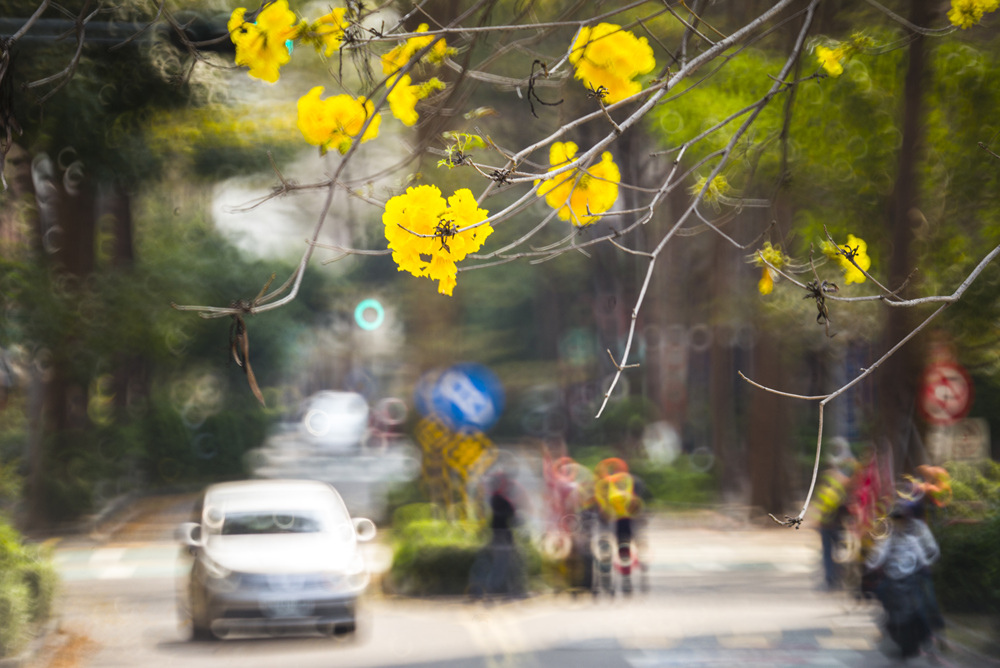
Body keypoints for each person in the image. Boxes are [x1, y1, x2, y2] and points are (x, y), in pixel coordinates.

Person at [864, 501, 941, 659]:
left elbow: (923, 556)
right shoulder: (887, 540)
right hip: (892, 581)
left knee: (920, 608)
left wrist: (926, 566)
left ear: (907, 519)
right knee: (880, 594)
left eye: (902, 519)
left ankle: (927, 637)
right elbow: (878, 557)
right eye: (896, 519)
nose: (900, 522)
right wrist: (871, 567)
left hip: (910, 580)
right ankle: (886, 626)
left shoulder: (914, 537)